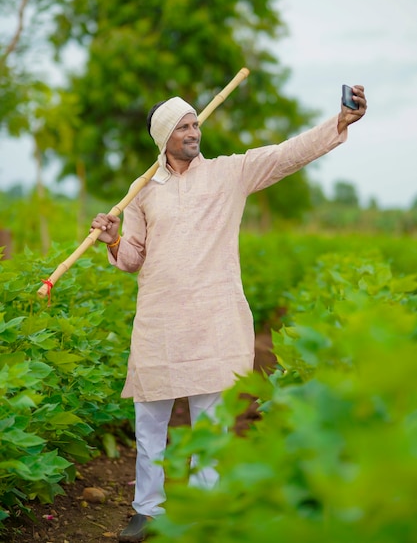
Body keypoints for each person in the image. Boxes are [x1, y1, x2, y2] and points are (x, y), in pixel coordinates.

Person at [90, 85, 367, 541]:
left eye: (196, 122)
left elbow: (286, 154)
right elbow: (132, 258)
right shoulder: (142, 192)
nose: (194, 131)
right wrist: (114, 237)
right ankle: (147, 509)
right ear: (164, 138)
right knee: (150, 421)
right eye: (183, 126)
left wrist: (338, 122)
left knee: (211, 425)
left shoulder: (228, 174)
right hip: (159, 321)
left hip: (213, 319)